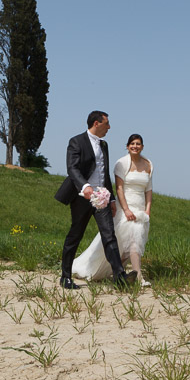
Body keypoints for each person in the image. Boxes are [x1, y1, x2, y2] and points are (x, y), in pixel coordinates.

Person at [55, 111, 137, 289]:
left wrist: (112, 199)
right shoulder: (76, 141)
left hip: (103, 199)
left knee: (109, 236)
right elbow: (72, 168)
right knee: (75, 235)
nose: (109, 127)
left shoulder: (104, 145)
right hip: (82, 198)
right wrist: (85, 187)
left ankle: (120, 277)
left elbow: (104, 173)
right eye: (107, 123)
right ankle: (66, 277)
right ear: (96, 123)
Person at [72, 133, 153, 286]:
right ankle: (139, 278)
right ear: (127, 146)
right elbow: (120, 189)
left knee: (131, 244)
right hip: (126, 208)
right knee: (131, 243)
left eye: (138, 144)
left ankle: (119, 272)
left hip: (141, 208)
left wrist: (147, 210)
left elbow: (149, 189)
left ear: (142, 146)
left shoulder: (148, 164)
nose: (135, 146)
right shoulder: (121, 163)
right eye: (132, 144)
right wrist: (127, 209)